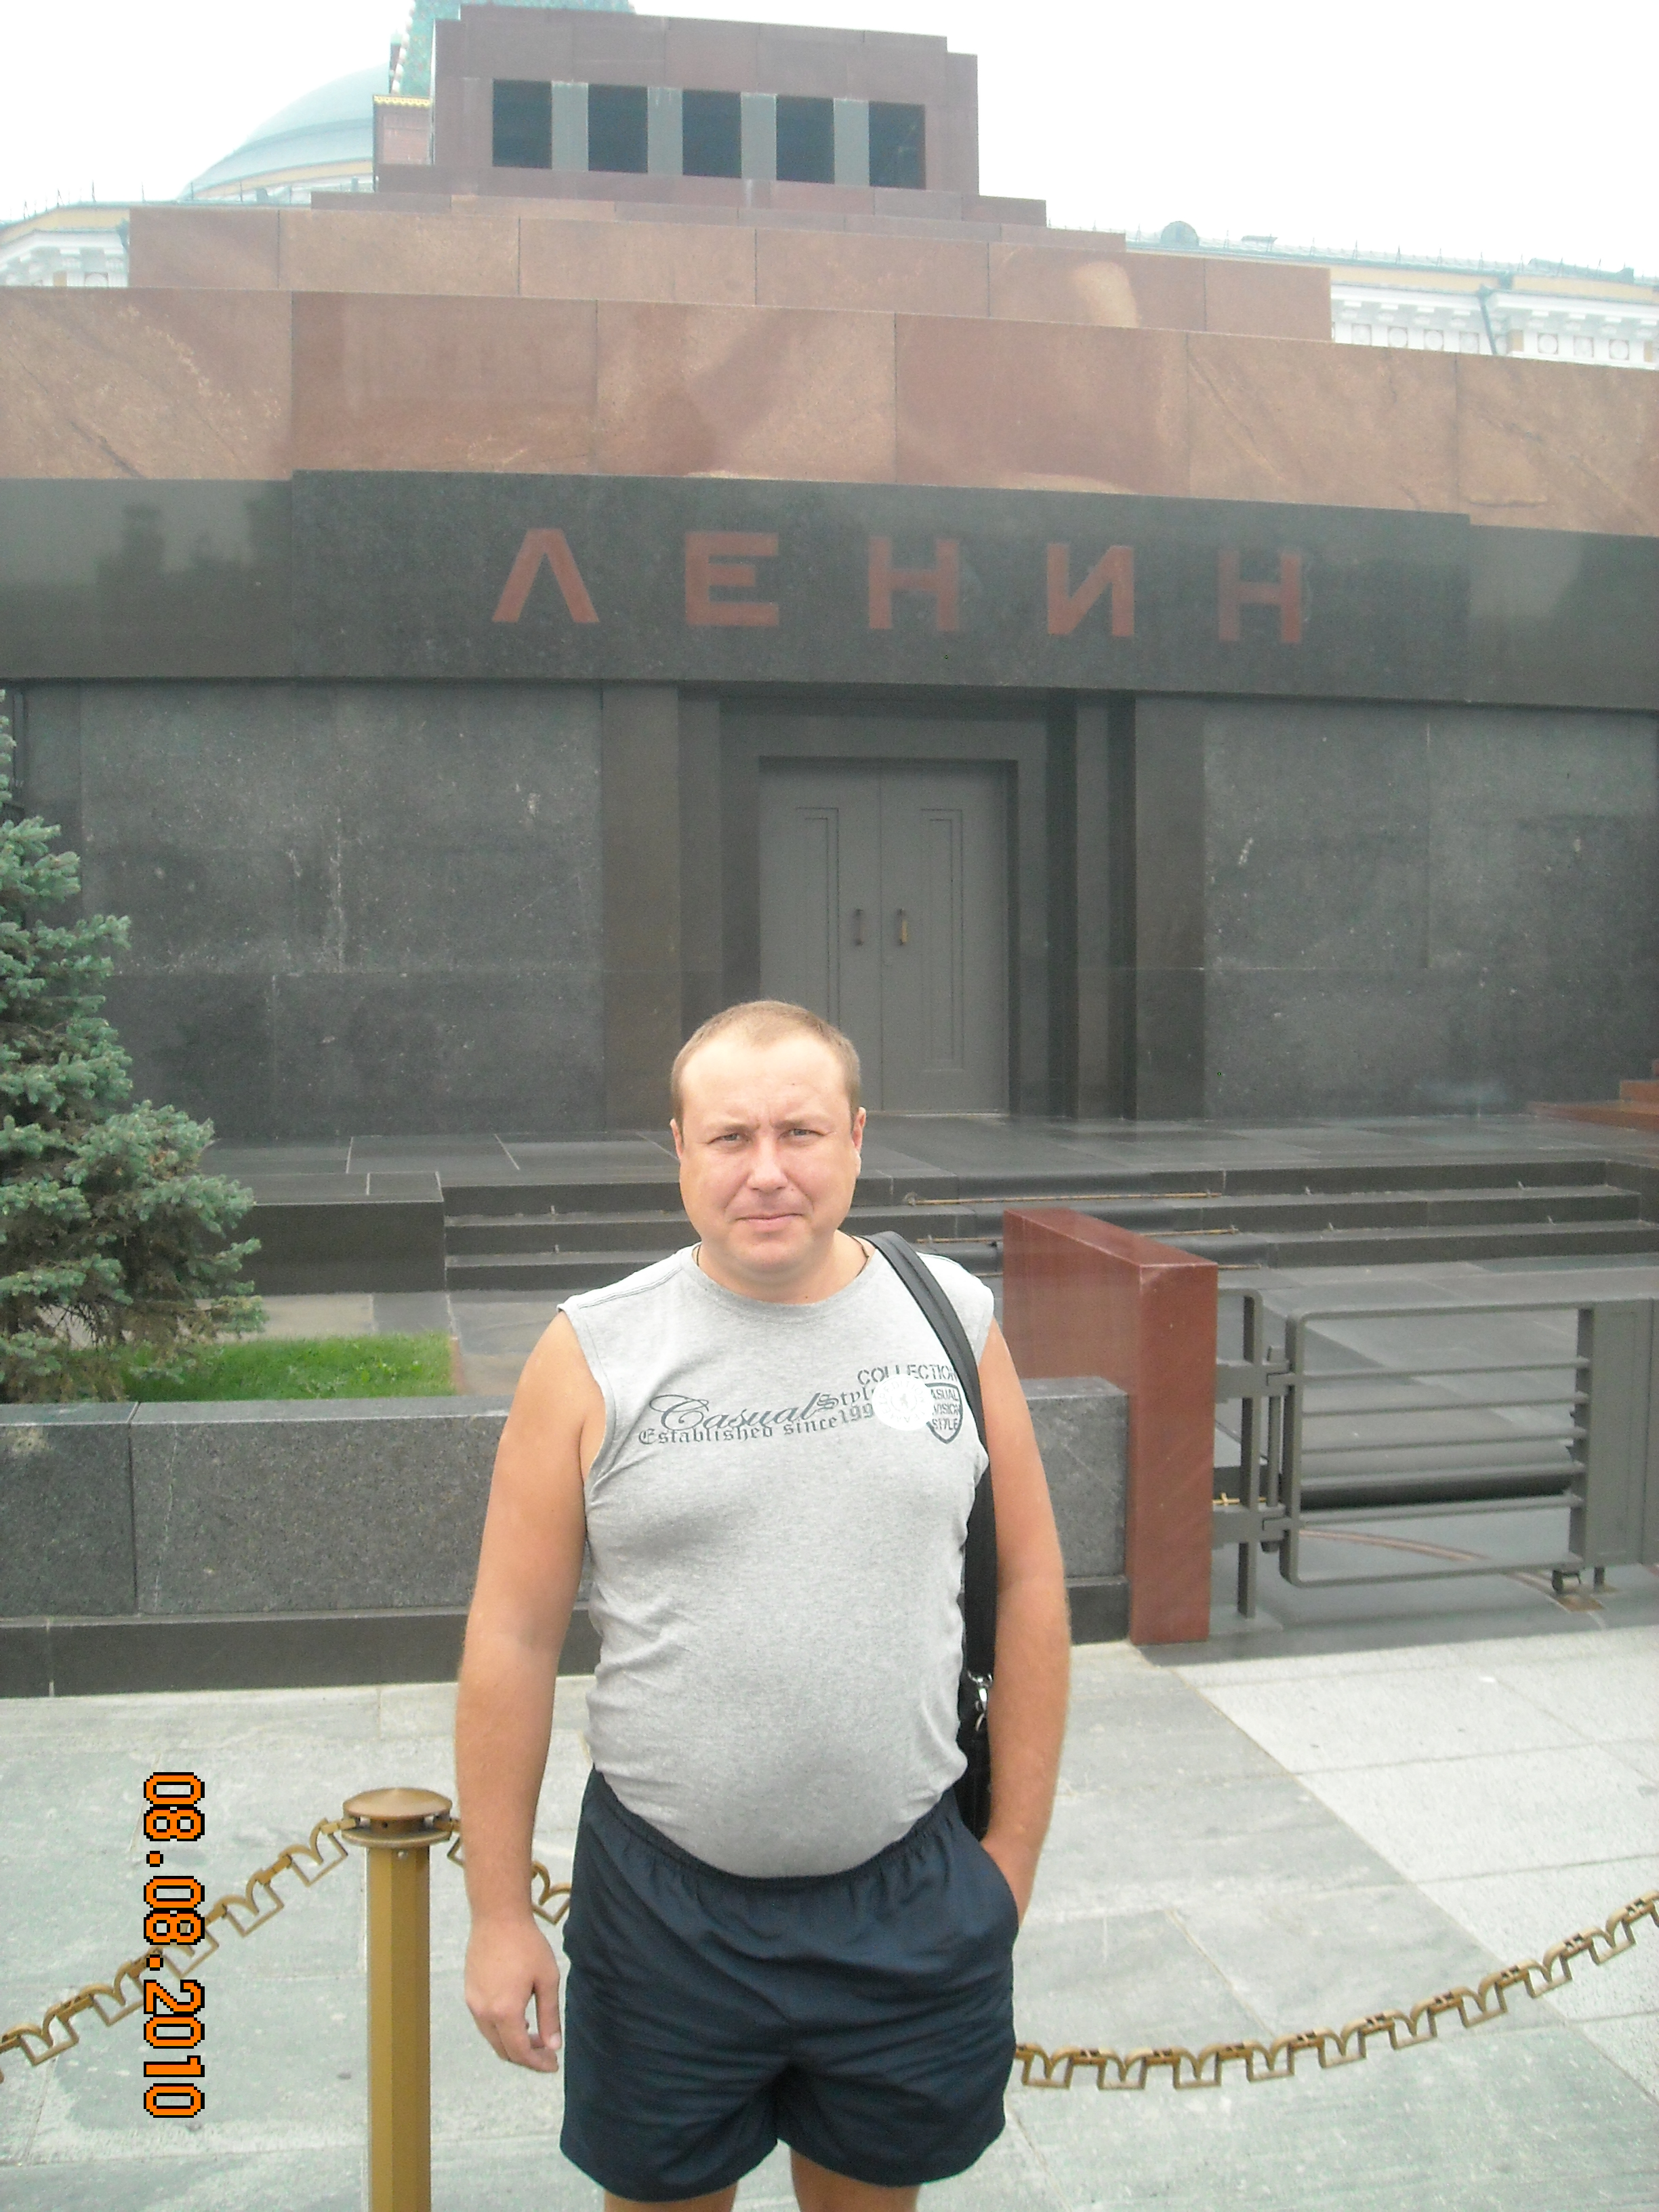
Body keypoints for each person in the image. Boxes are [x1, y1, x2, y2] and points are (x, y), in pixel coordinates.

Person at [456, 1000, 1070, 2212]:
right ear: (680, 1151)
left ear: (857, 1138)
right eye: (731, 1137)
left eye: (801, 1132)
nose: (768, 1171)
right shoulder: (591, 1353)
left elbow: (1033, 1586)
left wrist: (1007, 1865)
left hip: (910, 1896)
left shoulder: (951, 1320)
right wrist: (496, 1913)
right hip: (664, 1914)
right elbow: (511, 1640)